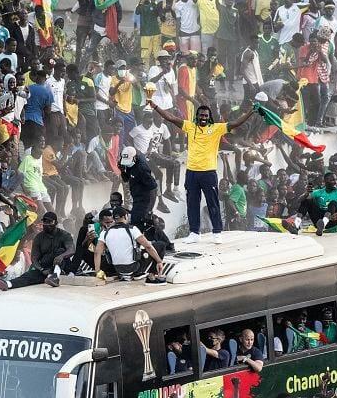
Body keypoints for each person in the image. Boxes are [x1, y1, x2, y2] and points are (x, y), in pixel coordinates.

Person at [148, 100, 254, 244]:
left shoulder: (217, 128)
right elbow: (170, 118)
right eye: (201, 115)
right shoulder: (190, 126)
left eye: (206, 115)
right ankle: (194, 232)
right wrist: (155, 106)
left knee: (213, 202)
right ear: (197, 116)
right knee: (192, 203)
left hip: (208, 172)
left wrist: (250, 112)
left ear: (209, 117)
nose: (203, 117)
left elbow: (236, 123)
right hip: (192, 172)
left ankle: (217, 232)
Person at [0, 212, 74, 290]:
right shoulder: (39, 237)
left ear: (56, 223)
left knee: (60, 251)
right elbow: (34, 258)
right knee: (28, 276)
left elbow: (71, 250)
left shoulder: (64, 235)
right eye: (45, 222)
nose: (47, 224)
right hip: (46, 268)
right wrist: (42, 270)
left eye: (50, 222)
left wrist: (62, 256)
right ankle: (7, 284)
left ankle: (55, 276)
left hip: (62, 266)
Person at [93, 207, 166, 284]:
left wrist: (97, 271)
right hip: (134, 267)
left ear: (114, 218)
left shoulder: (105, 232)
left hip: (117, 269)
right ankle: (152, 277)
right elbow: (148, 246)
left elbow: (97, 253)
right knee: (161, 245)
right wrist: (159, 261)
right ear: (125, 216)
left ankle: (130, 275)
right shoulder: (132, 229)